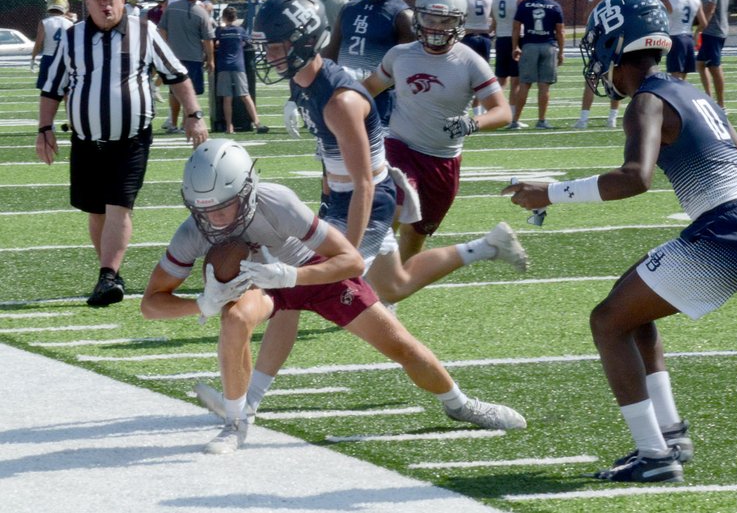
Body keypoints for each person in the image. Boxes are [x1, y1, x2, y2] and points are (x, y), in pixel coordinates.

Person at [193, 0, 527, 425]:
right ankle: (484, 253)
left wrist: (344, 252)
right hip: (346, 198)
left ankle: (460, 404)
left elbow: (366, 183)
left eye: (276, 45)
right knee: (394, 285)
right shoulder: (309, 82)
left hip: (366, 204)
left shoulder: (339, 101)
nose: (270, 55)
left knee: (306, 295)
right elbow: (343, 169)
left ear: (302, 43)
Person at [503, 0, 737, 483]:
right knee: (631, 308)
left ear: (615, 43)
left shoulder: (647, 101)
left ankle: (654, 455)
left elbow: (636, 178)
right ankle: (670, 432)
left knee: (607, 322)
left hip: (728, 232)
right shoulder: (689, 90)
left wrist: (551, 192)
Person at [142, 138, 527, 454]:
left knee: (402, 347)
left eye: (225, 205)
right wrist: (200, 303)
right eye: (205, 208)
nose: (216, 219)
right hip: (262, 284)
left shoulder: (276, 202)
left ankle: (459, 404)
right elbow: (151, 304)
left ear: (247, 188)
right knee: (234, 318)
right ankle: (236, 422)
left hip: (314, 272)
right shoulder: (192, 230)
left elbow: (352, 260)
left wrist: (292, 274)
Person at [35, 0, 209, 307]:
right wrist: (44, 129)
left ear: (122, 0)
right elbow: (52, 88)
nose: (104, 3)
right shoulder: (72, 38)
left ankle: (108, 276)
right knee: (96, 211)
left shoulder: (144, 32)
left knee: (118, 205)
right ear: (86, 2)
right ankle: (109, 272)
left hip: (131, 139)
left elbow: (177, 74)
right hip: (86, 141)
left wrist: (194, 114)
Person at [363, 0, 513, 260]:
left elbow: (503, 111)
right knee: (392, 209)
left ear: (459, 22)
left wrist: (472, 123)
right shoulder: (400, 55)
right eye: (429, 19)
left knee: (414, 238)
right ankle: (363, 281)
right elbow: (365, 91)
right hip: (400, 147)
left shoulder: (469, 61)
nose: (435, 27)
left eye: (445, 21)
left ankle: (389, 295)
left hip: (442, 160)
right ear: (417, 17)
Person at [323, 0, 414, 128]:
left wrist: (365, 80)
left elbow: (405, 72)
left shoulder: (402, 16)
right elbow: (329, 56)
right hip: (345, 100)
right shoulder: (348, 9)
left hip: (383, 108)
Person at [158, 0, 215, 134]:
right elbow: (208, 39)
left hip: (173, 56)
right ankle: (185, 123)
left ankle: (173, 123)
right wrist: (211, 60)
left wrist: (165, 49)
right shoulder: (201, 12)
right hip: (193, 57)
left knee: (173, 91)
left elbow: (161, 30)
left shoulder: (172, 7)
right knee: (190, 91)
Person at [512, 0, 564, 130]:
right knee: (544, 86)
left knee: (524, 84)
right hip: (548, 46)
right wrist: (561, 52)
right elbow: (560, 32)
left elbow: (515, 27)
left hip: (529, 46)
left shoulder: (525, 4)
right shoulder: (555, 6)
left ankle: (515, 120)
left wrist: (515, 46)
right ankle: (541, 120)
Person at [575, 0, 622, 129]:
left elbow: (587, 16)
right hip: (619, 43)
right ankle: (612, 119)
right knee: (613, 81)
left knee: (592, 79)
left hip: (602, 43)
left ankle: (583, 119)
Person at [215, 5, 268, 134]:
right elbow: (248, 43)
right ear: (235, 17)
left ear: (224, 17)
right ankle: (257, 123)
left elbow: (215, 43)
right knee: (245, 95)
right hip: (238, 66)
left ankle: (229, 126)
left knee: (227, 98)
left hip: (223, 66)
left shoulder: (220, 31)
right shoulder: (240, 30)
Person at [491, 0, 529, 129]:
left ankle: (495, 111)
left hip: (501, 38)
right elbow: (522, 22)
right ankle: (512, 117)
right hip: (516, 39)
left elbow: (493, 20)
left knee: (500, 79)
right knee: (516, 81)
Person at [456, 0, 495, 116]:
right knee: (483, 76)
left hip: (468, 38)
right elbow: (498, 13)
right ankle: (482, 112)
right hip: (485, 37)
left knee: (465, 77)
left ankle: (469, 111)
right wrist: (493, 28)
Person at [696, 0, 730, 108]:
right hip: (721, 28)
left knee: (715, 67)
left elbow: (710, 8)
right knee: (701, 63)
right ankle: (709, 98)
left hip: (712, 30)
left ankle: (721, 104)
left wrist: (699, 29)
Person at [664, 0, 707, 80]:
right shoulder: (696, 0)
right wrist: (696, 33)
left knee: (675, 77)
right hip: (689, 39)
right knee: (683, 78)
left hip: (676, 40)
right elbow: (703, 23)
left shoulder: (669, 2)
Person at [31, 0, 73, 88]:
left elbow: (38, 44)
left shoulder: (45, 22)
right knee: (66, 91)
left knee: (47, 92)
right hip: (64, 59)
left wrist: (33, 58)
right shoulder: (70, 24)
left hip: (48, 58)